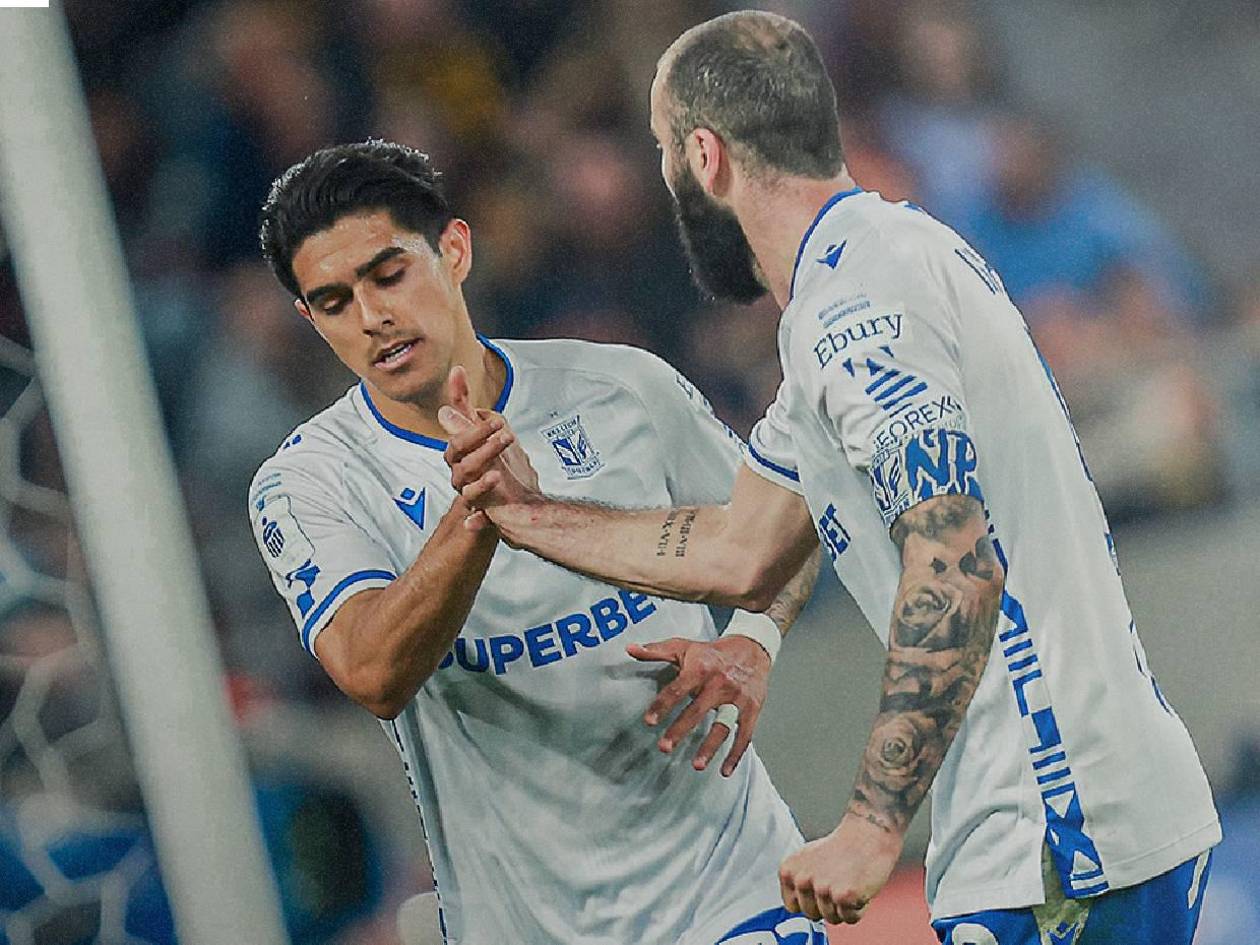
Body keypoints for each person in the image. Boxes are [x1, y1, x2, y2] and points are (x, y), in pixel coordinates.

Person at [441, 11, 1221, 944]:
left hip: (1056, 833)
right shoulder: (866, 277)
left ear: (705, 157)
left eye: (664, 153)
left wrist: (870, 825)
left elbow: (955, 563)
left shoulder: (855, 305)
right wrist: (526, 514)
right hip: (1083, 821)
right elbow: (741, 546)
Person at [248, 139, 827, 945]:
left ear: (454, 250)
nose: (373, 316)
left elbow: (783, 532)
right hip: (521, 922)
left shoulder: (620, 387)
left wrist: (755, 640)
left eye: (389, 274)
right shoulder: (309, 482)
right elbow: (372, 671)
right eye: (335, 300)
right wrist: (483, 509)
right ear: (311, 320)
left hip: (729, 888)